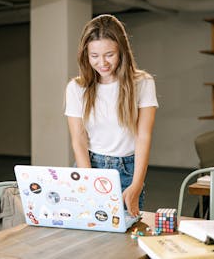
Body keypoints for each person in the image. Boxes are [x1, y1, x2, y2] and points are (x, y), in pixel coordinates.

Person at [64, 14, 158, 217]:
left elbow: (143, 137)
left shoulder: (142, 83)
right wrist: (89, 182)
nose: (102, 63)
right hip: (89, 165)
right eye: (94, 56)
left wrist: (137, 184)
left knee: (124, 236)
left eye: (109, 54)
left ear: (122, 52)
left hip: (127, 170)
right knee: (87, 234)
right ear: (86, 55)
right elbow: (78, 140)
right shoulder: (76, 88)